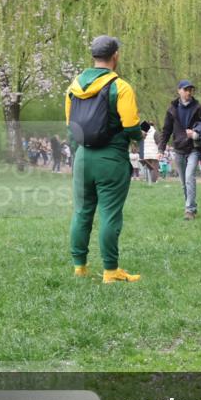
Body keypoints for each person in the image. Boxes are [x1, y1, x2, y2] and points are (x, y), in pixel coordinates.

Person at [65, 35, 142, 283]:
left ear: (93, 56)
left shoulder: (73, 87)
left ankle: (80, 267)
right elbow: (131, 126)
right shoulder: (121, 87)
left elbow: (70, 126)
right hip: (111, 158)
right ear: (115, 56)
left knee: (82, 212)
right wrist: (138, 134)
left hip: (83, 158)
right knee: (109, 214)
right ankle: (110, 271)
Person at [158, 80, 201, 220]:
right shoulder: (171, 110)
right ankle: (191, 206)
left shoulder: (200, 109)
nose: (188, 92)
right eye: (186, 90)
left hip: (194, 148)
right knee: (183, 183)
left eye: (191, 90)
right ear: (179, 91)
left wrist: (196, 134)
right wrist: (161, 148)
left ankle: (189, 209)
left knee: (189, 178)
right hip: (178, 149)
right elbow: (166, 131)